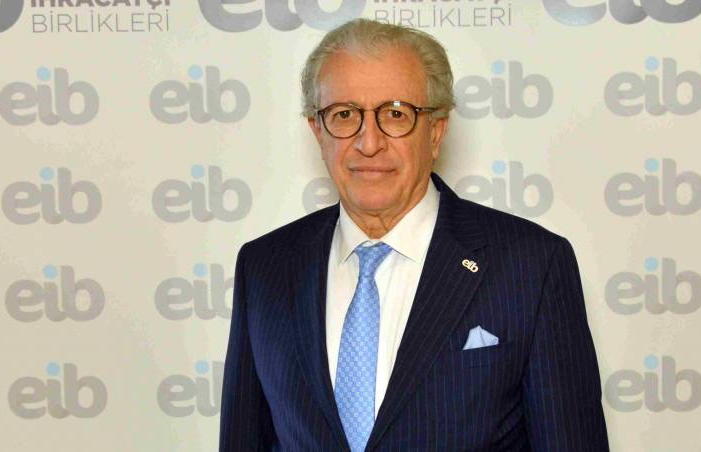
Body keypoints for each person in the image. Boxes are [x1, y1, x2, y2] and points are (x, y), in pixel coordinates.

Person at [218, 18, 609, 452]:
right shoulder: (265, 267)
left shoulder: (531, 266)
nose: (369, 142)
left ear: (436, 131)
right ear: (317, 131)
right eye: (344, 115)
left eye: (395, 114)